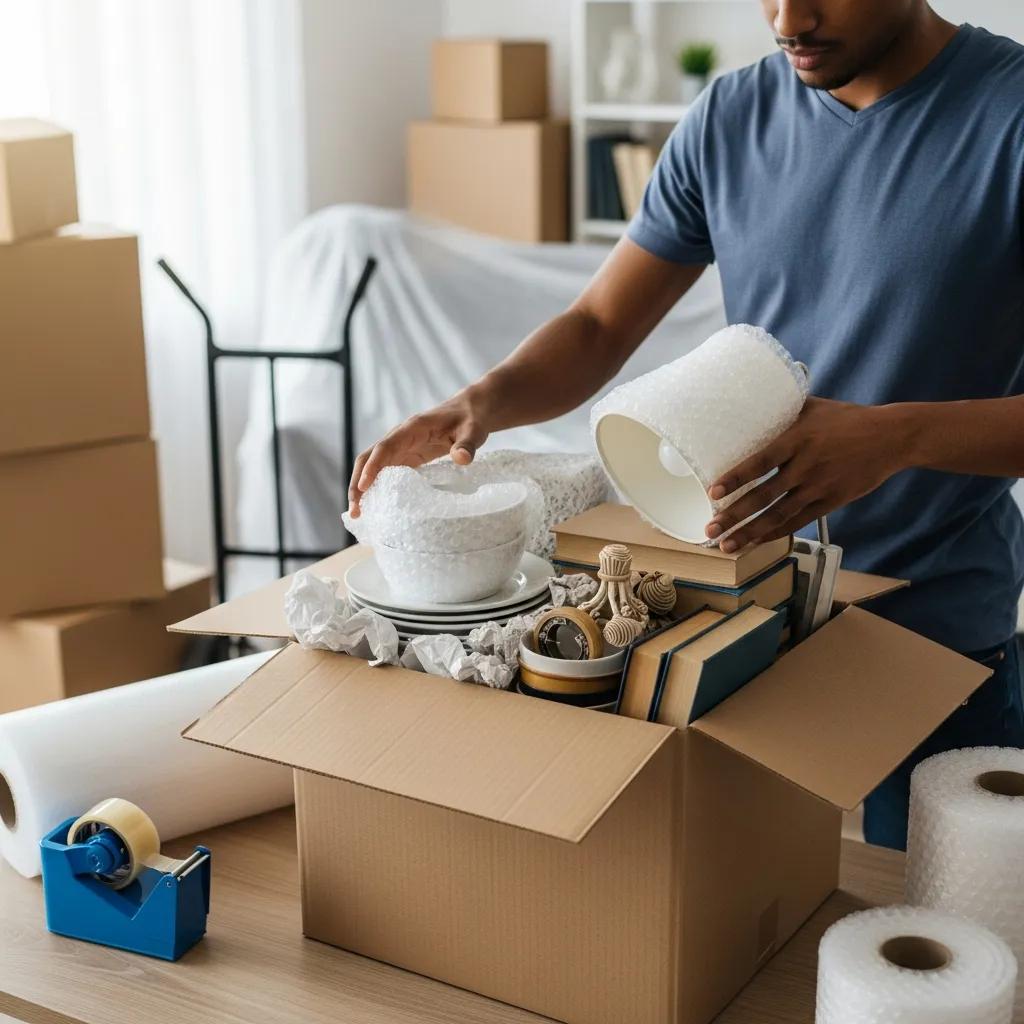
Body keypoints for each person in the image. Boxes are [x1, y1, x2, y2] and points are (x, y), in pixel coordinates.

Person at [348, 1, 1024, 849]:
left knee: (927, 931)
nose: (789, 19)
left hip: (936, 637)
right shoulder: (731, 117)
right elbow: (599, 325)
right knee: (748, 941)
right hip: (746, 618)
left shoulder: (1011, 116)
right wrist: (480, 400)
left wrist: (896, 437)